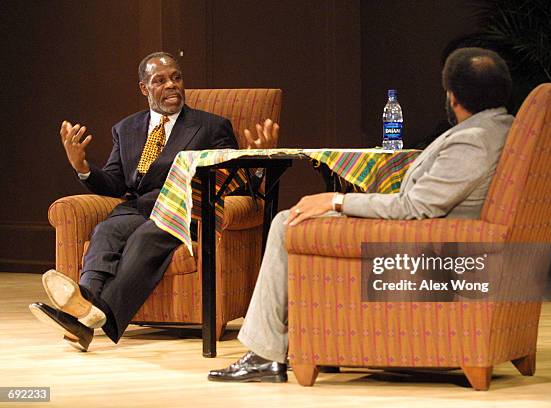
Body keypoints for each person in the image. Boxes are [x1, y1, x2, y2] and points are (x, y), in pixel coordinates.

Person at [208, 47, 514, 382]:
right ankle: (304, 343)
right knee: (299, 219)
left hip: (427, 245)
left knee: (288, 221)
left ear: (453, 97)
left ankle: (265, 353)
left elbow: (413, 209)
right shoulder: (503, 127)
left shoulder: (474, 140)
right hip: (441, 236)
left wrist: (337, 201)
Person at [29, 51, 278, 352]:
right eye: (160, 80)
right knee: (106, 230)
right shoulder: (126, 128)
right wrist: (82, 167)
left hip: (183, 210)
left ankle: (92, 317)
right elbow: (115, 183)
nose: (172, 85)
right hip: (137, 207)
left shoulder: (211, 127)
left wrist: (258, 160)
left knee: (145, 237)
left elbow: (236, 183)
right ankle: (84, 308)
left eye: (176, 78)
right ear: (144, 88)